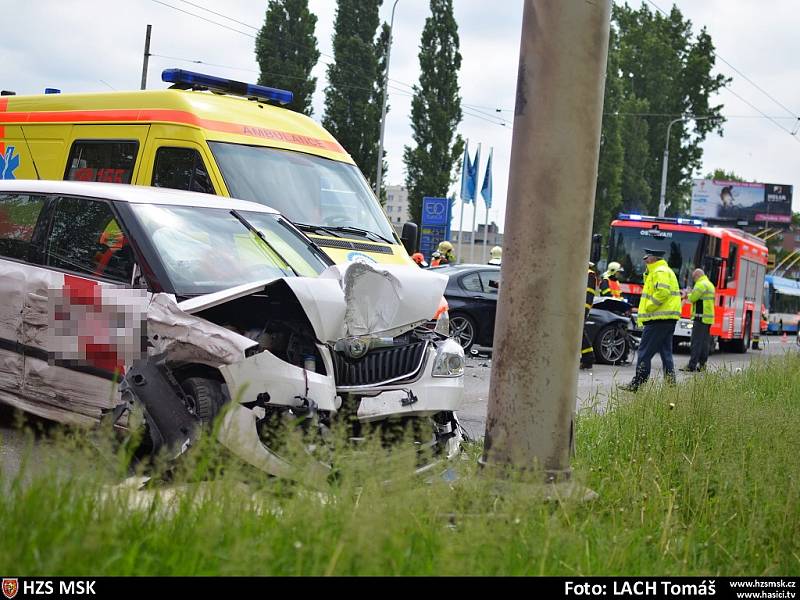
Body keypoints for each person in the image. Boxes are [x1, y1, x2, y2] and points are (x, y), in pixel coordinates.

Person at [620, 248, 681, 391]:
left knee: (644, 352)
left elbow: (662, 292)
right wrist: (647, 273)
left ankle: (638, 383)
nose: (644, 259)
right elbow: (653, 287)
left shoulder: (660, 272)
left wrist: (649, 306)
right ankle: (671, 384)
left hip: (658, 319)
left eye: (646, 257)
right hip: (665, 319)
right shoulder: (659, 271)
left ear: (653, 258)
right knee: (666, 353)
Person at [680, 268, 716, 372]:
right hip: (707, 318)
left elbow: (693, 298)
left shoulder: (700, 284)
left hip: (700, 318)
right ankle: (702, 365)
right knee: (705, 343)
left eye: (694, 278)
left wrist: (686, 294)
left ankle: (691, 365)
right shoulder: (709, 284)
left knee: (696, 342)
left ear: (697, 276)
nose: (694, 280)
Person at [581, 261, 599, 369]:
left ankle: (588, 358)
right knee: (579, 332)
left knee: (579, 332)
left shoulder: (589, 274)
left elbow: (589, 293)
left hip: (582, 307)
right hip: (576, 307)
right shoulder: (581, 273)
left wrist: (585, 309)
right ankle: (588, 357)